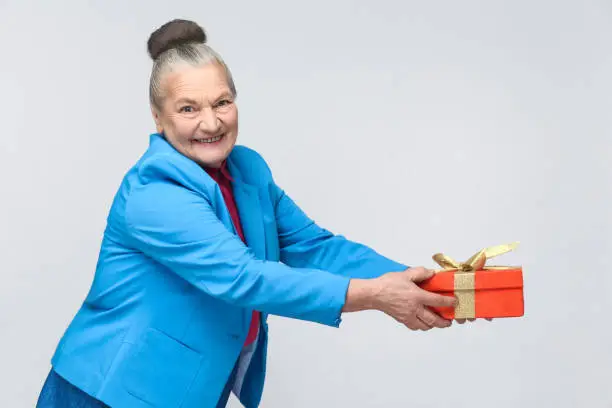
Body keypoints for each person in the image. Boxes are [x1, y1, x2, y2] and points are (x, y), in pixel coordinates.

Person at [36, 18, 459, 408]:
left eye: (222, 102)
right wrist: (377, 296)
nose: (210, 122)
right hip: (111, 390)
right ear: (158, 119)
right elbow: (242, 277)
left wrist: (426, 285)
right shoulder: (154, 193)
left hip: (192, 387)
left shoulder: (248, 170)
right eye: (188, 108)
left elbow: (313, 246)